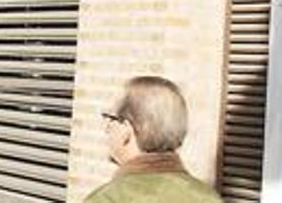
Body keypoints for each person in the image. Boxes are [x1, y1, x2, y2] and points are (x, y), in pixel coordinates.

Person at [87, 76, 221, 202]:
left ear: (126, 129)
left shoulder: (107, 199)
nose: (106, 128)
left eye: (110, 119)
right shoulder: (208, 197)